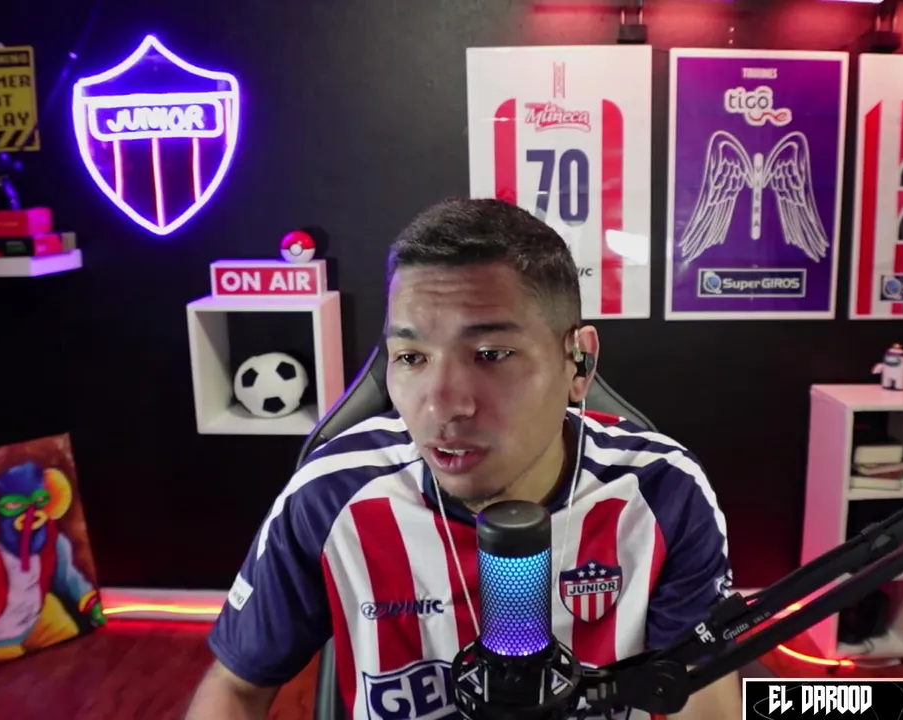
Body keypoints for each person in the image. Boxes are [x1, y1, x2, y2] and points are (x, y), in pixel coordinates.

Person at [185, 198, 742, 720]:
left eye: (491, 354)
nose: (442, 405)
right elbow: (236, 687)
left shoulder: (664, 493)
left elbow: (703, 692)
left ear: (579, 363)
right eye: (411, 357)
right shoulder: (329, 495)